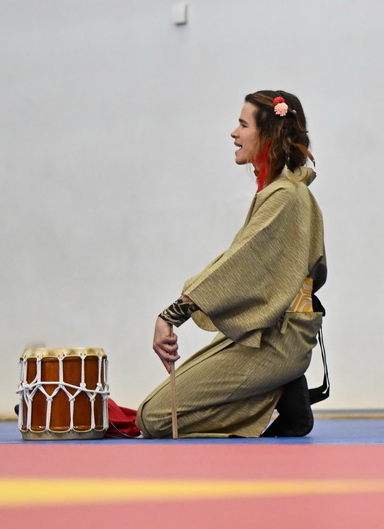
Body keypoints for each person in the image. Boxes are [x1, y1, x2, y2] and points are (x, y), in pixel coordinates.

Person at [132, 90, 327, 438]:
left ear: (268, 134)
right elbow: (243, 264)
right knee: (149, 414)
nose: (233, 133)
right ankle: (281, 388)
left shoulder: (286, 195)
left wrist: (173, 314)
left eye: (242, 124)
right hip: (271, 332)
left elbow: (239, 267)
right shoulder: (282, 191)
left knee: (155, 420)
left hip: (281, 339)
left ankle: (279, 388)